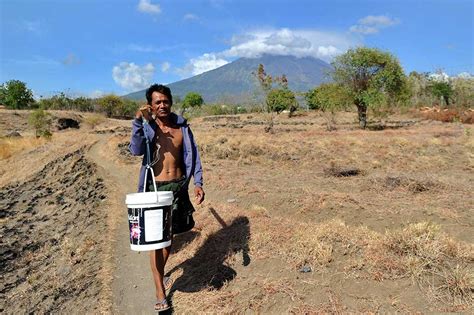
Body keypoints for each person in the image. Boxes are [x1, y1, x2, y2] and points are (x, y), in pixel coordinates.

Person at [129, 84, 205, 312]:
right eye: (157, 102)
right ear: (150, 105)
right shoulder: (148, 127)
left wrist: (198, 183)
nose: (162, 105)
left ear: (170, 101)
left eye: (165, 101)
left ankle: (160, 276)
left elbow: (194, 156)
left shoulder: (183, 127)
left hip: (179, 187)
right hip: (156, 188)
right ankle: (160, 291)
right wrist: (137, 123)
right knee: (156, 241)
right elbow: (136, 150)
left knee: (168, 239)